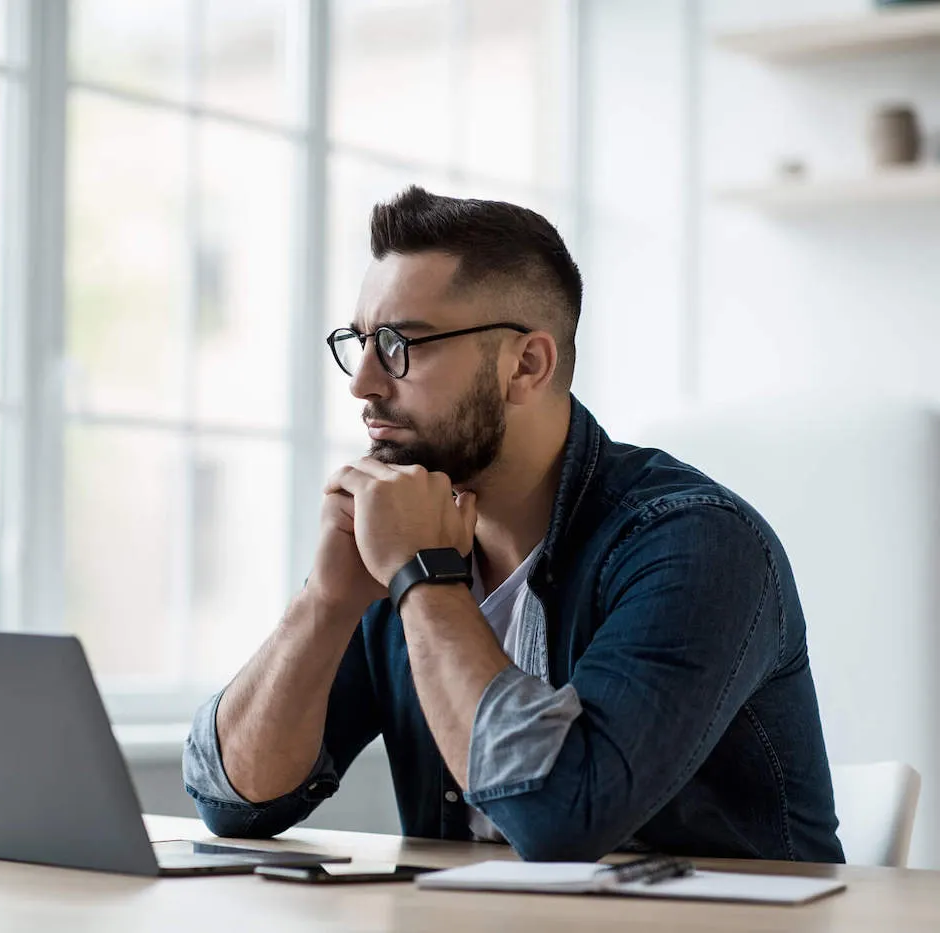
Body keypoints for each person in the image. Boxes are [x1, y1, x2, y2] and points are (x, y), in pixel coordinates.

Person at [182, 186, 844, 863]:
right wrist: (324, 603)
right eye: (359, 342)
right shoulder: (400, 533)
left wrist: (425, 579)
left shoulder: (697, 542)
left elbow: (562, 816)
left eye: (399, 342)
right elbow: (235, 801)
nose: (364, 382)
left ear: (526, 365)